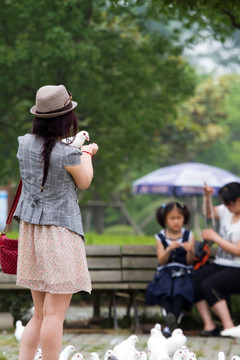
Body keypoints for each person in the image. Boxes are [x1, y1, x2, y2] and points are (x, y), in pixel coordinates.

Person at [13, 85, 99, 360]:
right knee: (54, 315)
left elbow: (40, 164)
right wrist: (86, 154)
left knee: (38, 314)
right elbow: (84, 182)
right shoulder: (68, 153)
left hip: (31, 232)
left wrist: (75, 149)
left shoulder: (24, 144)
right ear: (66, 119)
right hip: (60, 233)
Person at [193, 182, 240, 337]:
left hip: (237, 268)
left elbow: (238, 251)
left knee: (209, 285)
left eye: (229, 203)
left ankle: (228, 326)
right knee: (195, 280)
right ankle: (210, 325)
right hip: (221, 263)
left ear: (239, 200)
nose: (226, 207)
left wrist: (215, 238)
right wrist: (207, 197)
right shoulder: (227, 211)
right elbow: (208, 213)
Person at [145, 202, 195, 337]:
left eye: (179, 218)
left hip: (183, 273)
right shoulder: (160, 237)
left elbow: (190, 261)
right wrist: (169, 249)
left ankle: (171, 325)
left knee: (179, 288)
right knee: (165, 288)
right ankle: (171, 323)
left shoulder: (189, 236)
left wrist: (190, 251)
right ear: (165, 219)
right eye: (172, 218)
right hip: (165, 272)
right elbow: (161, 260)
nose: (176, 222)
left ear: (184, 218)